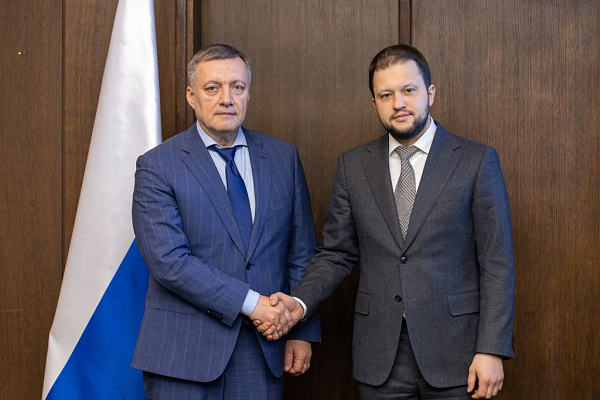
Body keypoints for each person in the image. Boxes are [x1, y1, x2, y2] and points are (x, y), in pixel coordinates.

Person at [258, 44, 515, 399]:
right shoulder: (354, 165)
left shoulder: (476, 160)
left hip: (459, 354)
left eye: (409, 90)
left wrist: (492, 348)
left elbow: (497, 261)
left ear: (430, 92)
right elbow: (336, 254)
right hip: (380, 357)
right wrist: (299, 303)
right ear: (374, 102)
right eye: (386, 95)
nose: (399, 103)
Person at [131, 43, 320, 399]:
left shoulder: (283, 158)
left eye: (237, 87)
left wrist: (301, 329)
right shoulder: (158, 165)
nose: (226, 99)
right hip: (182, 356)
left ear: (248, 93)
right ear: (191, 96)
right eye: (212, 88)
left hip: (262, 352)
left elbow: (301, 251)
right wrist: (254, 304)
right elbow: (169, 263)